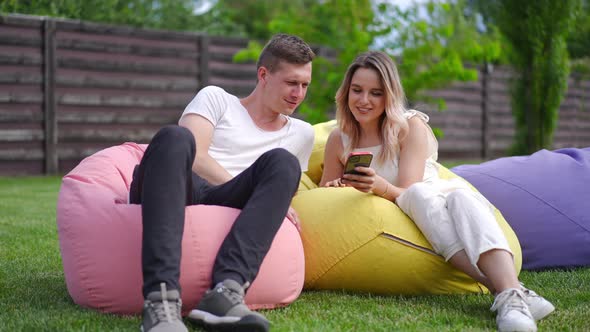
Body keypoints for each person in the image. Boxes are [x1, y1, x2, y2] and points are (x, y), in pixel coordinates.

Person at [319, 51, 555, 332]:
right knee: (419, 198)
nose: (364, 100)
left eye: (375, 93)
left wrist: (379, 186)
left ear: (389, 96)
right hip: (395, 213)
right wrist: (336, 187)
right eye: (357, 90)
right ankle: (511, 291)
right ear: (346, 92)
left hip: (435, 198)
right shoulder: (339, 138)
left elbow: (408, 188)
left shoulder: (409, 127)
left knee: (455, 196)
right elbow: (323, 194)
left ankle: (509, 296)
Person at [129, 33, 315, 332]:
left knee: (284, 162)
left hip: (233, 197)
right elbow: (196, 158)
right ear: (264, 75)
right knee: (175, 137)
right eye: (292, 83)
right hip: (183, 186)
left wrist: (281, 203)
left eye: (305, 85)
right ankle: (161, 300)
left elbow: (281, 184)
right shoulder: (216, 98)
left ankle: (226, 291)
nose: (299, 93)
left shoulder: (302, 133)